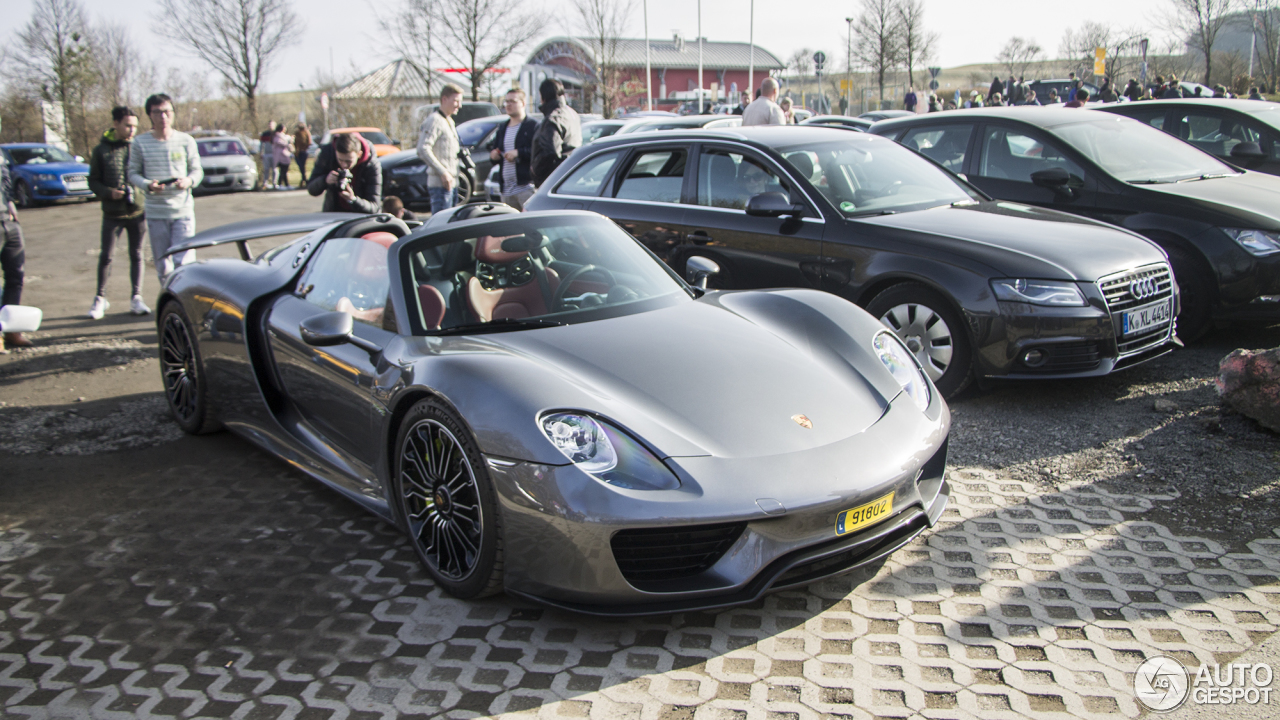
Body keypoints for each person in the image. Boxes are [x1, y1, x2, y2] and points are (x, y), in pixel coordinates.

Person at [128, 93, 203, 281]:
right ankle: (169, 303)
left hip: (182, 211)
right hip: (156, 212)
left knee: (185, 262)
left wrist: (188, 181)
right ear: (150, 115)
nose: (163, 117)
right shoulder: (139, 143)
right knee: (163, 265)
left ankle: (186, 303)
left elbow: (197, 171)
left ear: (173, 113)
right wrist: (147, 185)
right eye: (157, 112)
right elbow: (132, 174)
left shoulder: (186, 140)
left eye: (167, 112)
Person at [87, 106, 148, 320]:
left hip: (137, 212)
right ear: (116, 124)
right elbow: (93, 180)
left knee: (137, 254)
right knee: (107, 256)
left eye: (134, 127)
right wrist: (107, 192)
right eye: (127, 125)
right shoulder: (101, 150)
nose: (132, 130)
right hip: (112, 213)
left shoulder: (139, 147)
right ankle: (100, 298)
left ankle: (137, 297)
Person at [307, 131, 382, 213]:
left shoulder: (371, 164)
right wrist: (325, 180)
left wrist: (353, 200)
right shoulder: (328, 154)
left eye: (348, 161)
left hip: (361, 218)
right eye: (340, 160)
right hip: (334, 213)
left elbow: (374, 207)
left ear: (359, 154)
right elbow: (311, 189)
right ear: (335, 151)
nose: (344, 165)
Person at [488, 87, 537, 210]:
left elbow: (538, 152)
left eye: (513, 101)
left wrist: (519, 153)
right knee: (511, 227)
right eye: (506, 101)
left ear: (523, 103)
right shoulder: (503, 128)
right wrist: (494, 155)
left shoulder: (532, 126)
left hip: (526, 187)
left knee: (529, 224)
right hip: (506, 189)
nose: (508, 105)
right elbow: (496, 151)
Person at [417, 83, 463, 213]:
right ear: (444, 99)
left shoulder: (449, 121)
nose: (459, 105)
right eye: (456, 101)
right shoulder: (435, 120)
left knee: (452, 226)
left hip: (453, 183)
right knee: (441, 227)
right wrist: (443, 172)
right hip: (440, 185)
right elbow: (422, 148)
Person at [0, 149, 29, 351]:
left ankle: (11, 328)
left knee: (16, 274)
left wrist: (10, 201)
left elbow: (5, 178)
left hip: (6, 220)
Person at [530, 78, 582, 186]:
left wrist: (535, 170)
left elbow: (551, 152)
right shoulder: (571, 113)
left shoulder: (553, 119)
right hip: (571, 174)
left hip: (553, 180)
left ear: (543, 97)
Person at [272, 123, 294, 188]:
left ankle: (286, 184)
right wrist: (288, 143)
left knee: (284, 171)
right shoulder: (277, 136)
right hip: (280, 156)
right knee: (283, 171)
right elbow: (280, 142)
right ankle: (281, 184)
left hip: (285, 155)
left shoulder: (283, 136)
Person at [259, 121, 276, 190]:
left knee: (275, 169)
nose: (270, 126)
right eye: (269, 125)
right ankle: (265, 183)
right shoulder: (264, 134)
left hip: (274, 154)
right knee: (266, 169)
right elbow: (261, 145)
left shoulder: (276, 134)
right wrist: (261, 153)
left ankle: (274, 183)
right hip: (266, 154)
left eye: (271, 125)